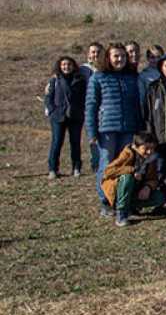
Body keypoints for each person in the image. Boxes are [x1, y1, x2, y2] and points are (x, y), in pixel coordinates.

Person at [86, 42, 142, 214]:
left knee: (125, 164)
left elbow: (137, 104)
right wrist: (92, 131)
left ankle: (122, 199)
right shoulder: (98, 77)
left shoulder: (131, 77)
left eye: (123, 56)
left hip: (128, 128)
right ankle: (105, 200)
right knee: (106, 164)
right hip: (107, 129)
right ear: (108, 58)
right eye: (116, 56)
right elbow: (91, 105)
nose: (120, 59)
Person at [101, 131, 164, 227]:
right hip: (119, 190)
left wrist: (148, 187)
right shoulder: (128, 154)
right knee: (127, 178)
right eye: (146, 148)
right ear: (135, 147)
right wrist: (132, 170)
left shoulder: (151, 159)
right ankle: (121, 213)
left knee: (159, 197)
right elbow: (108, 171)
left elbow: (153, 178)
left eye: (152, 148)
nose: (149, 152)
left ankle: (130, 208)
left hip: (136, 190)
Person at [45, 56, 87, 178]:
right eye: (63, 64)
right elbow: (48, 97)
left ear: (73, 66)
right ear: (59, 66)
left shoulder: (80, 80)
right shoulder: (55, 80)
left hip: (75, 116)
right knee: (57, 142)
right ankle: (53, 169)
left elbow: (84, 97)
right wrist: (52, 110)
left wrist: (81, 109)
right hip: (58, 116)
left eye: (69, 64)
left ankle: (76, 168)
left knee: (75, 143)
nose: (66, 67)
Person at [81, 42, 104, 172]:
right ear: (88, 54)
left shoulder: (105, 68)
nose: (95, 54)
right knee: (93, 136)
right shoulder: (83, 69)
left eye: (98, 52)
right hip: (90, 107)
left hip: (105, 108)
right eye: (93, 52)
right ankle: (95, 163)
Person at [137, 44, 164, 109]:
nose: (156, 60)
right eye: (152, 57)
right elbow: (142, 99)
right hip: (153, 110)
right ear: (148, 58)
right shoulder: (143, 76)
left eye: (158, 57)